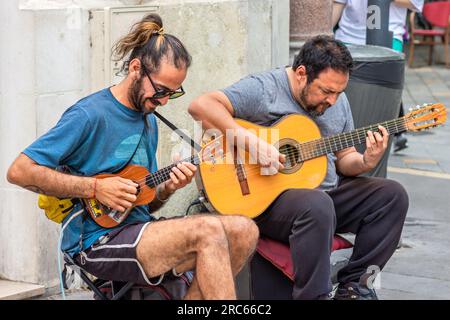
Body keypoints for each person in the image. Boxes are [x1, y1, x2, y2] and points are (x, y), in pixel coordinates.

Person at [6, 13, 259, 300]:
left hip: (138, 230)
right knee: (209, 230)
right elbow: (19, 171)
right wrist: (96, 187)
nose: (164, 101)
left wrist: (167, 189)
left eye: (173, 94)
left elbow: (143, 201)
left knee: (244, 230)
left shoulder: (149, 120)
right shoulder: (89, 114)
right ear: (135, 68)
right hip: (93, 241)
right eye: (161, 90)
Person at [188, 35, 409, 300]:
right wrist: (252, 145)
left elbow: (345, 158)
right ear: (302, 74)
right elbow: (201, 106)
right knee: (316, 205)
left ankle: (355, 287)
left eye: (339, 92)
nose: (333, 101)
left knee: (392, 195)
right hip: (266, 201)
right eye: (326, 91)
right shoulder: (265, 88)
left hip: (323, 196)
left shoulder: (336, 101)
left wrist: (366, 161)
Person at [332, 0, 424, 152]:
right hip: (348, 37)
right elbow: (338, 4)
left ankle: (384, 142)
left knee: (380, 98)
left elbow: (415, 3)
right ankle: (342, 147)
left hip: (388, 37)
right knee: (340, 95)